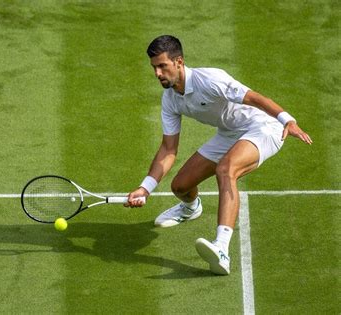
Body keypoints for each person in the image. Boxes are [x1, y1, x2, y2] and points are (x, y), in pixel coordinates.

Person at [125, 35, 312, 275]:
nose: (157, 74)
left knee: (226, 169)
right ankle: (191, 208)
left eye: (163, 66)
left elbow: (254, 97)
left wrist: (287, 119)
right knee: (180, 186)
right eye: (154, 67)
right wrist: (145, 188)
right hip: (229, 133)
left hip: (263, 127)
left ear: (179, 62)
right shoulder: (170, 100)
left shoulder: (210, 79)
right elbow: (168, 150)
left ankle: (221, 248)